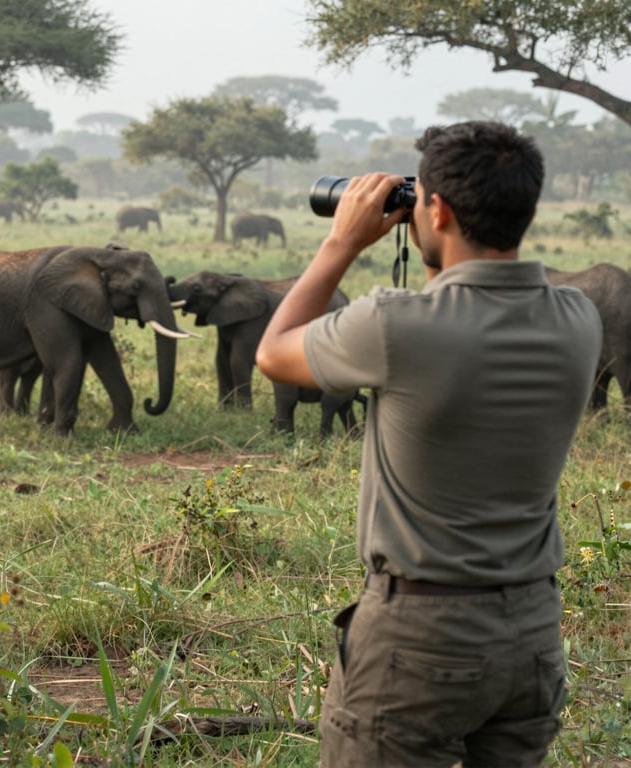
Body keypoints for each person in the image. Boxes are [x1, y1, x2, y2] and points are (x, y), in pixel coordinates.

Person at [255, 121, 603, 768]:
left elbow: (273, 354)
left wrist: (342, 242)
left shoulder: (394, 325)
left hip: (420, 634)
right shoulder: (579, 318)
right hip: (532, 633)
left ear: (435, 209)